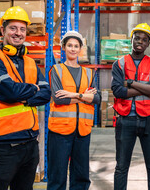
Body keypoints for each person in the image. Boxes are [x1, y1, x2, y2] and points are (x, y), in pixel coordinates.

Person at [0, 6, 51, 190]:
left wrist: (24, 95)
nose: (18, 33)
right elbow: (8, 92)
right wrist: (32, 89)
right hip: (2, 147)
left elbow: (46, 94)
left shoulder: (29, 62)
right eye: (13, 28)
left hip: (29, 145)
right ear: (3, 30)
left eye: (22, 29)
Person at [111, 23, 150, 190]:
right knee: (121, 167)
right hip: (125, 120)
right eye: (137, 38)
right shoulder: (119, 64)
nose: (140, 42)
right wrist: (145, 88)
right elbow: (118, 91)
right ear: (132, 39)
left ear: (148, 43)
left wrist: (131, 83)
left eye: (144, 39)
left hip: (149, 120)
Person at [47, 31, 101, 190]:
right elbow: (59, 99)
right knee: (57, 174)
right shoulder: (56, 70)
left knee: (81, 175)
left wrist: (74, 94)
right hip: (60, 130)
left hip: (82, 131)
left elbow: (97, 99)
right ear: (63, 47)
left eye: (76, 46)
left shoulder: (89, 73)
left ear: (80, 49)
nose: (73, 49)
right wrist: (84, 96)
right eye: (69, 45)